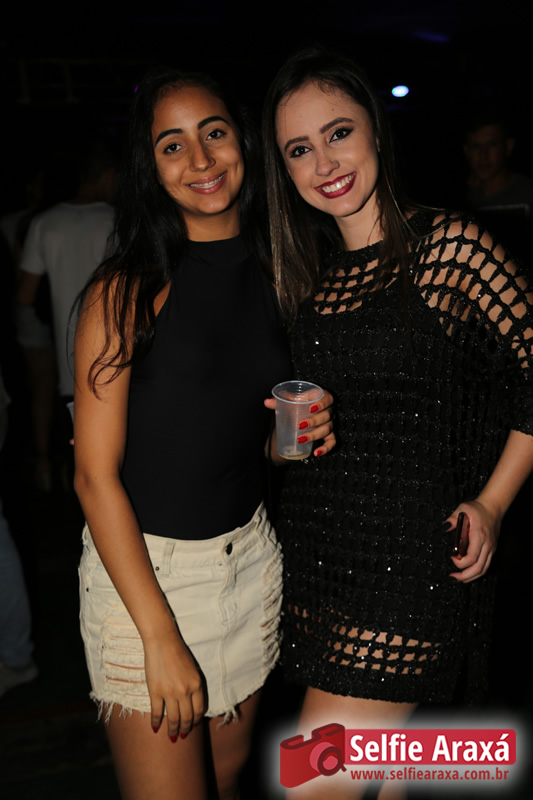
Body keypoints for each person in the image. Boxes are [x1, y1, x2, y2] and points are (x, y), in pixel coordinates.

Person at [263, 47, 533, 799]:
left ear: (375, 131)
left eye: (338, 133)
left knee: (308, 780)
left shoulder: (448, 249)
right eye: (299, 149)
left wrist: (493, 502)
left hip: (409, 572)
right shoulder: (312, 279)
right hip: (321, 569)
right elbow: (296, 445)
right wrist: (288, 440)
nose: (324, 162)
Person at [74, 66, 334, 800]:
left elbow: (254, 443)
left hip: (249, 562)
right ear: (149, 167)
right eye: (172, 145)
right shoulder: (123, 290)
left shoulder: (279, 271)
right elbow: (93, 477)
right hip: (147, 581)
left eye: (213, 133)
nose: (200, 159)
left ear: (242, 141)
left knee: (225, 782)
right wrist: (158, 636)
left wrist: (295, 437)